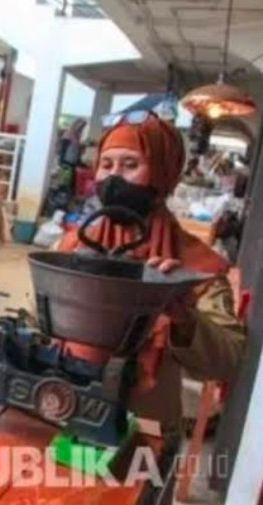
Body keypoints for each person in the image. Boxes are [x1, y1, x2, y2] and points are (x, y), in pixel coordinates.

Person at [55, 111, 246, 436]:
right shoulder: (72, 246)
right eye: (107, 164)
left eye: (130, 165)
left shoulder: (194, 266)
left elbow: (229, 361)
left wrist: (184, 317)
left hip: (144, 426)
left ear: (162, 174)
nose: (114, 178)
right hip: (60, 407)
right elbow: (40, 323)